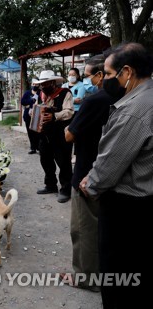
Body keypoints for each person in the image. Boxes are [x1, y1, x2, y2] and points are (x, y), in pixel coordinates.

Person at [79, 43, 153, 308]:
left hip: (127, 211)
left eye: (109, 75)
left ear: (127, 72)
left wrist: (91, 183)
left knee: (119, 279)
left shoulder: (133, 111)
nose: (105, 81)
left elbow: (109, 166)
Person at [62, 55, 119, 292]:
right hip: (115, 172)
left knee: (84, 228)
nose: (87, 80)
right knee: (106, 228)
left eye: (90, 76)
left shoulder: (95, 100)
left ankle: (86, 277)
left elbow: (69, 135)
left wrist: (67, 126)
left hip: (88, 173)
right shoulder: (128, 97)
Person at [33, 70, 74, 203]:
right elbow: (37, 107)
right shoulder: (42, 95)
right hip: (45, 134)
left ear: (52, 83)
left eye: (45, 84)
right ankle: (50, 185)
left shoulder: (65, 93)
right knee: (45, 160)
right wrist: (32, 113)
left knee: (64, 162)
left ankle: (66, 189)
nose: (43, 87)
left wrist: (54, 116)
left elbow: (69, 112)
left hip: (61, 134)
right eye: (42, 84)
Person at [20, 82, 41, 154]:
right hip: (27, 115)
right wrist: (31, 101)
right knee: (30, 132)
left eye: (36, 84)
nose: (35, 86)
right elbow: (22, 102)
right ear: (31, 84)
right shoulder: (27, 93)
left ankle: (38, 147)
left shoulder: (40, 93)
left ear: (39, 85)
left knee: (37, 132)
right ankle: (33, 148)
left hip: (37, 114)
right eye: (33, 84)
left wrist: (30, 104)